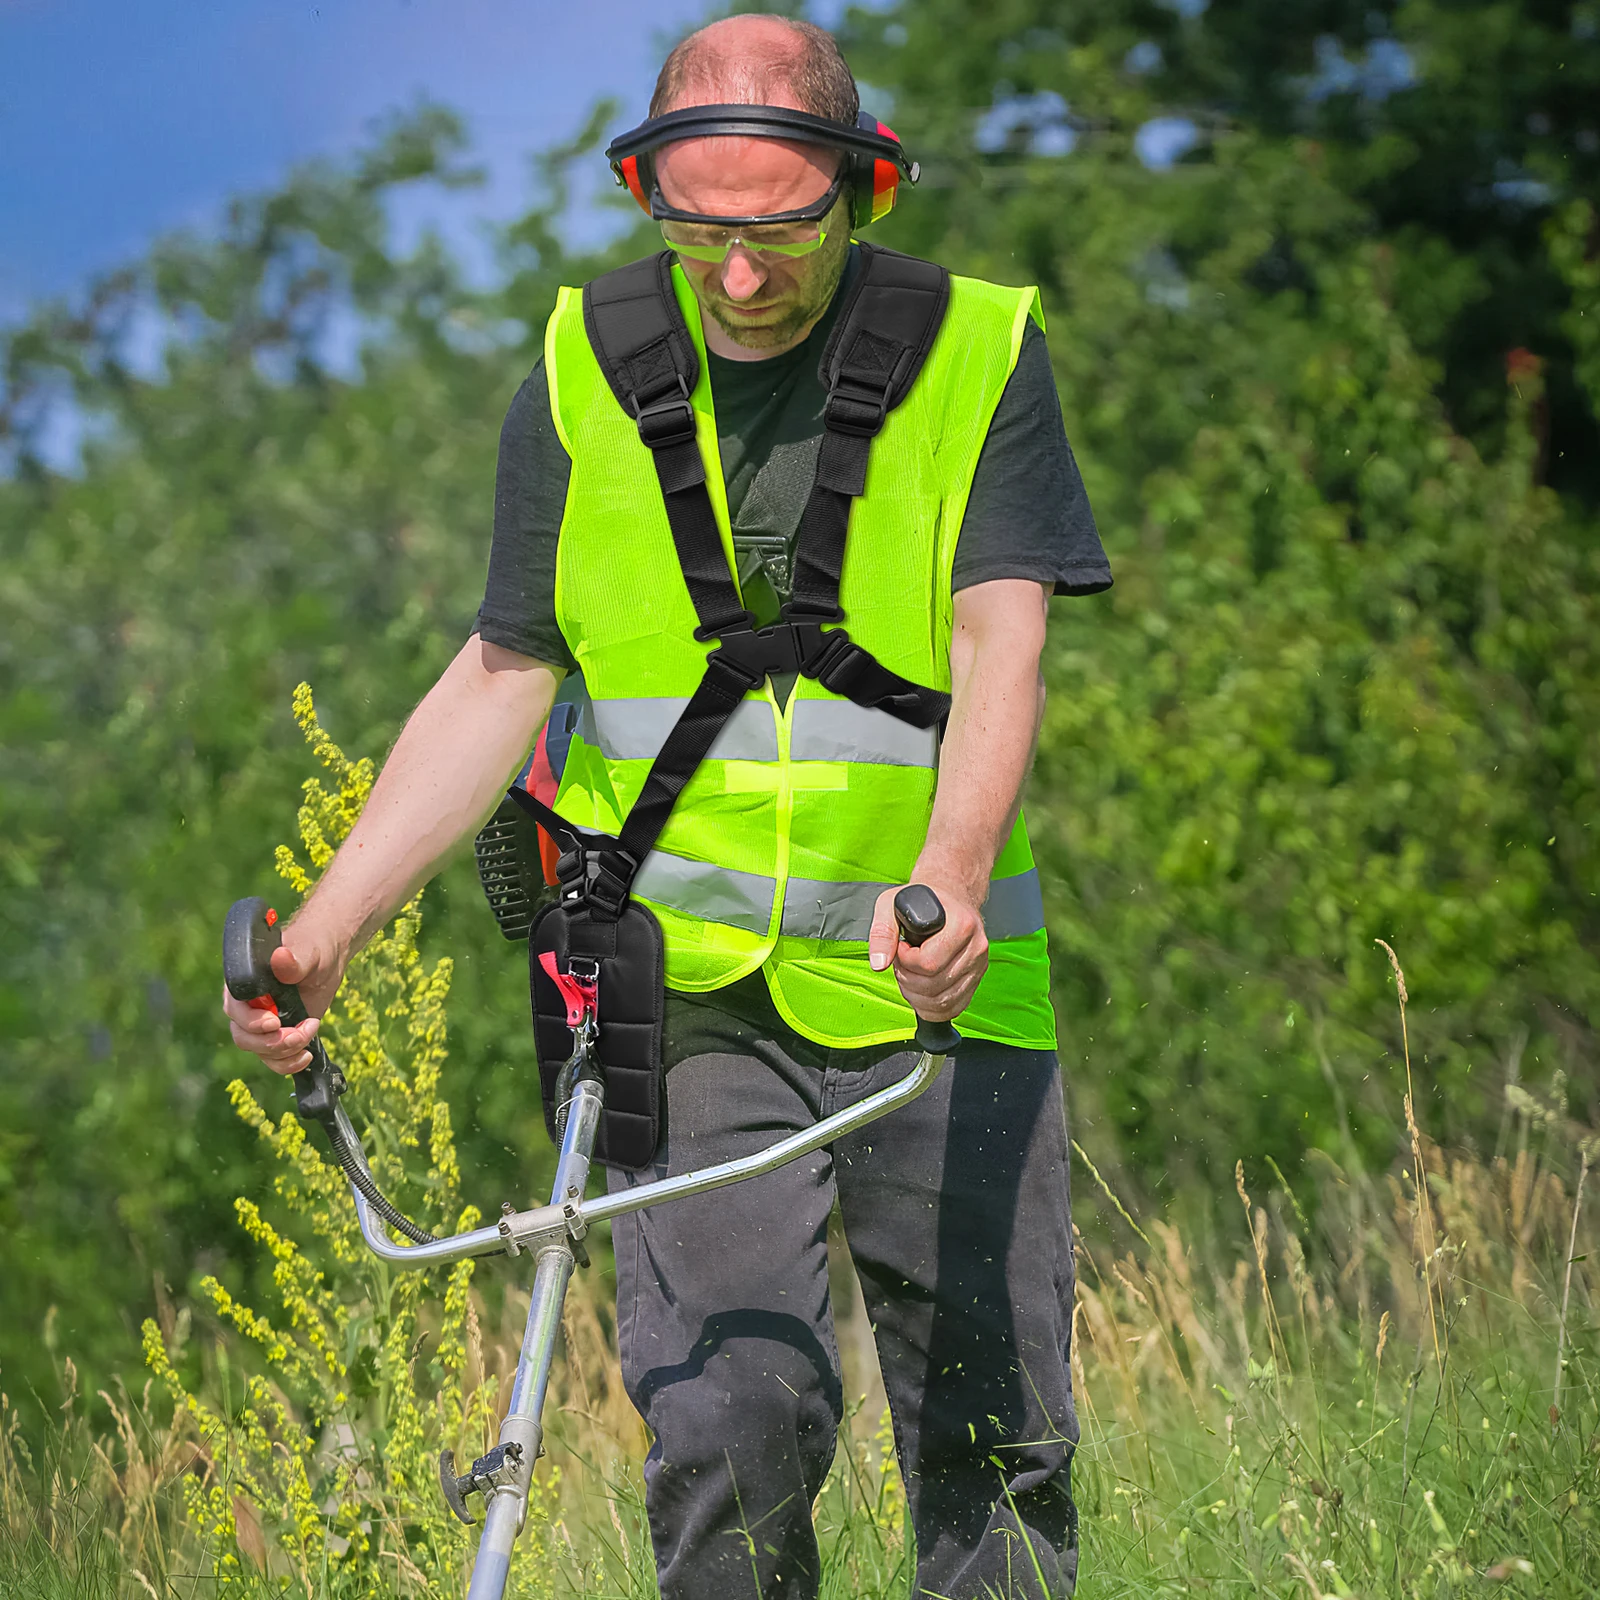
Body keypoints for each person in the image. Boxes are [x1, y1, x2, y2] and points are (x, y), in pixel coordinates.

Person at [223, 14, 1110, 1599]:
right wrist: (330, 933)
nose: (742, 274)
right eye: (701, 232)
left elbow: (1001, 631)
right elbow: (503, 677)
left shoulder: (979, 354)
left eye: (778, 230)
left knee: (993, 1438)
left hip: (946, 991)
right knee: (730, 1420)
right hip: (685, 1010)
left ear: (863, 190)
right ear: (651, 193)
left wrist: (953, 878)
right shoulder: (578, 373)